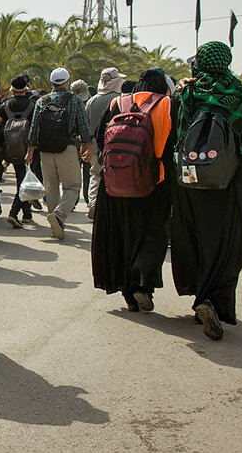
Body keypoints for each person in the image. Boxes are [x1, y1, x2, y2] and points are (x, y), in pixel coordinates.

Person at [171, 42, 242, 340]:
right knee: (232, 241)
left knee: (193, 236)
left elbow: (174, 137)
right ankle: (214, 301)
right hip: (228, 181)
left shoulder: (187, 92)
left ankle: (199, 297)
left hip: (189, 180)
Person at [91, 69, 174, 312]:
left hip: (116, 181)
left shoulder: (119, 102)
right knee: (151, 233)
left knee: (122, 234)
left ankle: (128, 293)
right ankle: (143, 284)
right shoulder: (167, 104)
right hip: (154, 182)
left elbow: (100, 138)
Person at [25, 68, 93, 241]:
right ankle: (59, 216)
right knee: (72, 186)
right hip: (67, 149)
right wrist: (87, 145)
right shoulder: (75, 100)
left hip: (46, 151)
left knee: (51, 187)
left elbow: (34, 129)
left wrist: (30, 151)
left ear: (52, 83)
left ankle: (55, 223)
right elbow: (84, 127)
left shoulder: (42, 101)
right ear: (67, 82)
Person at [0, 74, 39, 228]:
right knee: (23, 181)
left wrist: (1, 146)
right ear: (26, 88)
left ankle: (27, 213)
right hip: (28, 148)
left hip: (10, 148)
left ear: (12, 89)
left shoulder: (5, 106)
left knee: (22, 178)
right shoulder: (33, 105)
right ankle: (14, 213)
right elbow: (35, 128)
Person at [84, 67, 128, 220]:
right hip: (114, 145)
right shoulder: (120, 100)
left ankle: (93, 203)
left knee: (95, 174)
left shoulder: (91, 101)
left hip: (94, 145)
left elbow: (86, 125)